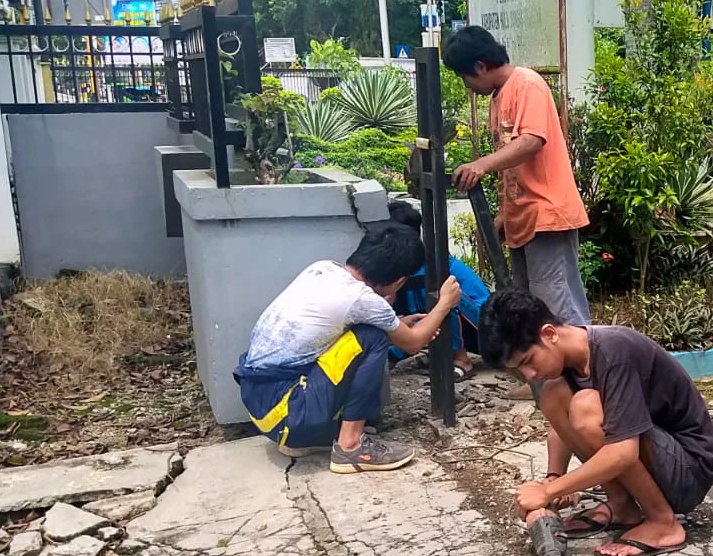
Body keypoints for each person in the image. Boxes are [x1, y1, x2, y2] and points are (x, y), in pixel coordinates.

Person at [479, 287, 713, 556]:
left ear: (549, 334)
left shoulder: (612, 351)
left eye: (528, 361)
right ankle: (622, 506)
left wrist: (548, 492)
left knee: (585, 407)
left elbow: (622, 452)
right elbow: (559, 432)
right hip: (660, 457)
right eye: (519, 369)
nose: (529, 374)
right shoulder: (570, 362)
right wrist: (553, 478)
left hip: (690, 469)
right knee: (553, 394)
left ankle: (663, 522)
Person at [235, 222, 461, 472]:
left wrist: (396, 325)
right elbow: (414, 342)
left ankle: (308, 438)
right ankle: (351, 446)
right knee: (372, 337)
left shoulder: (322, 268)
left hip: (264, 404)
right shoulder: (363, 300)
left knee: (369, 335)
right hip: (287, 411)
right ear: (399, 281)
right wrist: (444, 304)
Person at [443, 26, 590, 328]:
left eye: (465, 76)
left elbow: (531, 141)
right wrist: (504, 215)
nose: (467, 85)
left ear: (481, 66)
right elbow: (512, 166)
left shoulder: (527, 84)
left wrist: (480, 165)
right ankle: (547, 375)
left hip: (547, 215)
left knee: (557, 307)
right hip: (523, 220)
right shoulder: (499, 97)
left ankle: (584, 371)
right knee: (529, 309)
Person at [385, 198, 490, 379]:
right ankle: (444, 354)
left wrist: (395, 353)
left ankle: (461, 360)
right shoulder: (405, 265)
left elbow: (423, 315)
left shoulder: (432, 264)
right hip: (461, 325)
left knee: (446, 297)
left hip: (483, 327)